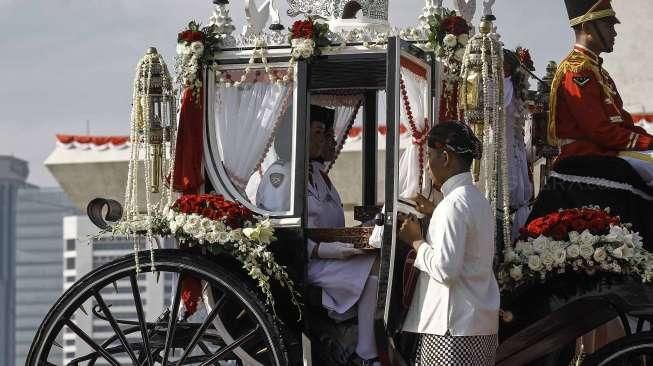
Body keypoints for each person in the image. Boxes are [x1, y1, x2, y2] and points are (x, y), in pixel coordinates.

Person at [256, 105, 380, 365]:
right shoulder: (281, 175)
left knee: (380, 264)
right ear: (298, 134)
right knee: (374, 269)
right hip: (299, 263)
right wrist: (319, 250)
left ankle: (367, 347)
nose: (323, 140)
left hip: (325, 257)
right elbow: (277, 232)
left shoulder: (316, 175)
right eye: (318, 132)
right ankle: (366, 353)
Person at [398, 121, 500, 365]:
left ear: (445, 157)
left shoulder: (452, 205)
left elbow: (446, 270)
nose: (428, 166)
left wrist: (416, 242)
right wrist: (435, 212)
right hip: (478, 326)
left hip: (451, 329)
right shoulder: (476, 199)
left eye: (430, 156)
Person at [548, 0, 653, 171]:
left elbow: (624, 124)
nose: (614, 33)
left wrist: (649, 140)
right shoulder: (577, 70)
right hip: (586, 155)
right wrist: (648, 143)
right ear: (588, 28)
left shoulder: (598, 71)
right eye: (609, 26)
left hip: (605, 151)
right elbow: (599, 131)